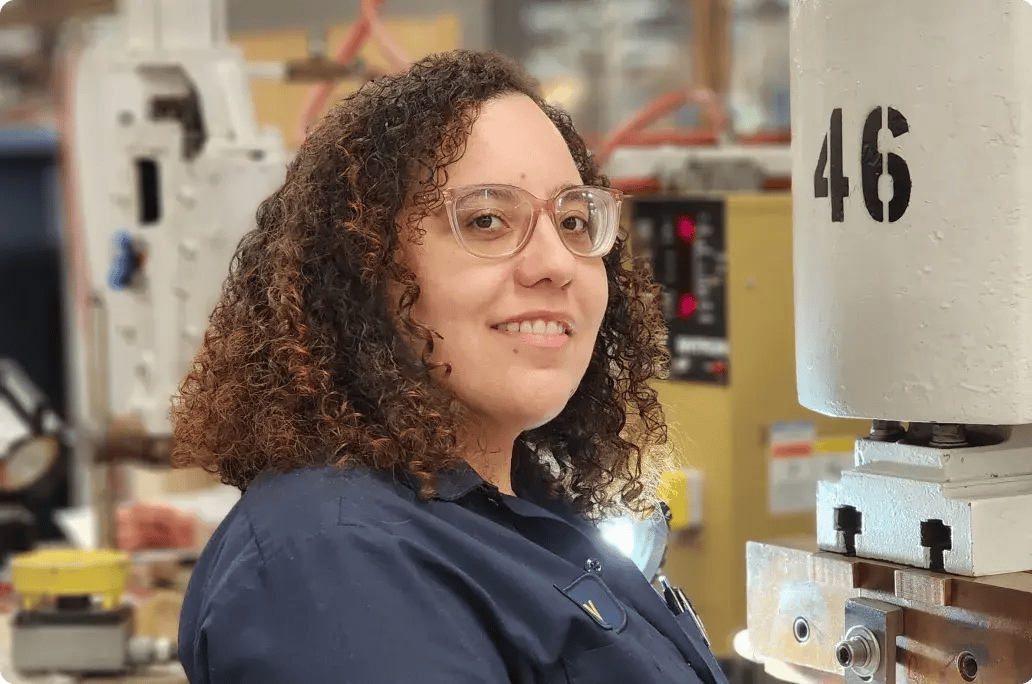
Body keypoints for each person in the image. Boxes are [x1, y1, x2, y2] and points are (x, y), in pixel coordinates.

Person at [172, 49, 727, 684]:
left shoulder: (513, 506)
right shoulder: (338, 561)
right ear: (366, 270)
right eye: (487, 220)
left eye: (575, 221)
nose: (556, 262)